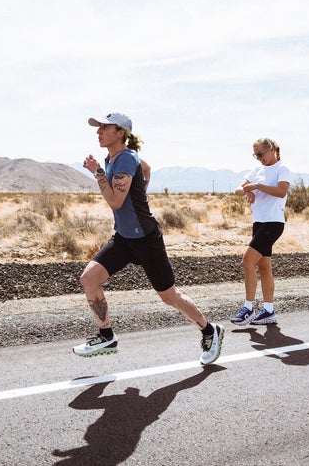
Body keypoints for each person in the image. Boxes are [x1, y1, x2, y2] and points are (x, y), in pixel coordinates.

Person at [74, 112, 224, 366]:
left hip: (146, 240)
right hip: (124, 239)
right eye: (98, 128)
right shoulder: (116, 158)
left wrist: (97, 172)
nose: (98, 132)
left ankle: (210, 331)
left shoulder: (123, 159)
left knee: (169, 296)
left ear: (120, 132)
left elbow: (115, 201)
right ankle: (106, 335)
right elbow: (146, 169)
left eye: (104, 128)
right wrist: (138, 193)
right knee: (89, 279)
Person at [230, 137, 291, 326]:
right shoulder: (257, 170)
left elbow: (281, 192)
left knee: (247, 261)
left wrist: (256, 186)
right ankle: (269, 311)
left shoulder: (282, 169)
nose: (258, 158)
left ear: (271, 149)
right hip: (259, 222)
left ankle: (248, 308)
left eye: (260, 154)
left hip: (273, 223)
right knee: (264, 267)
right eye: (255, 155)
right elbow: (238, 189)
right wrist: (247, 190)